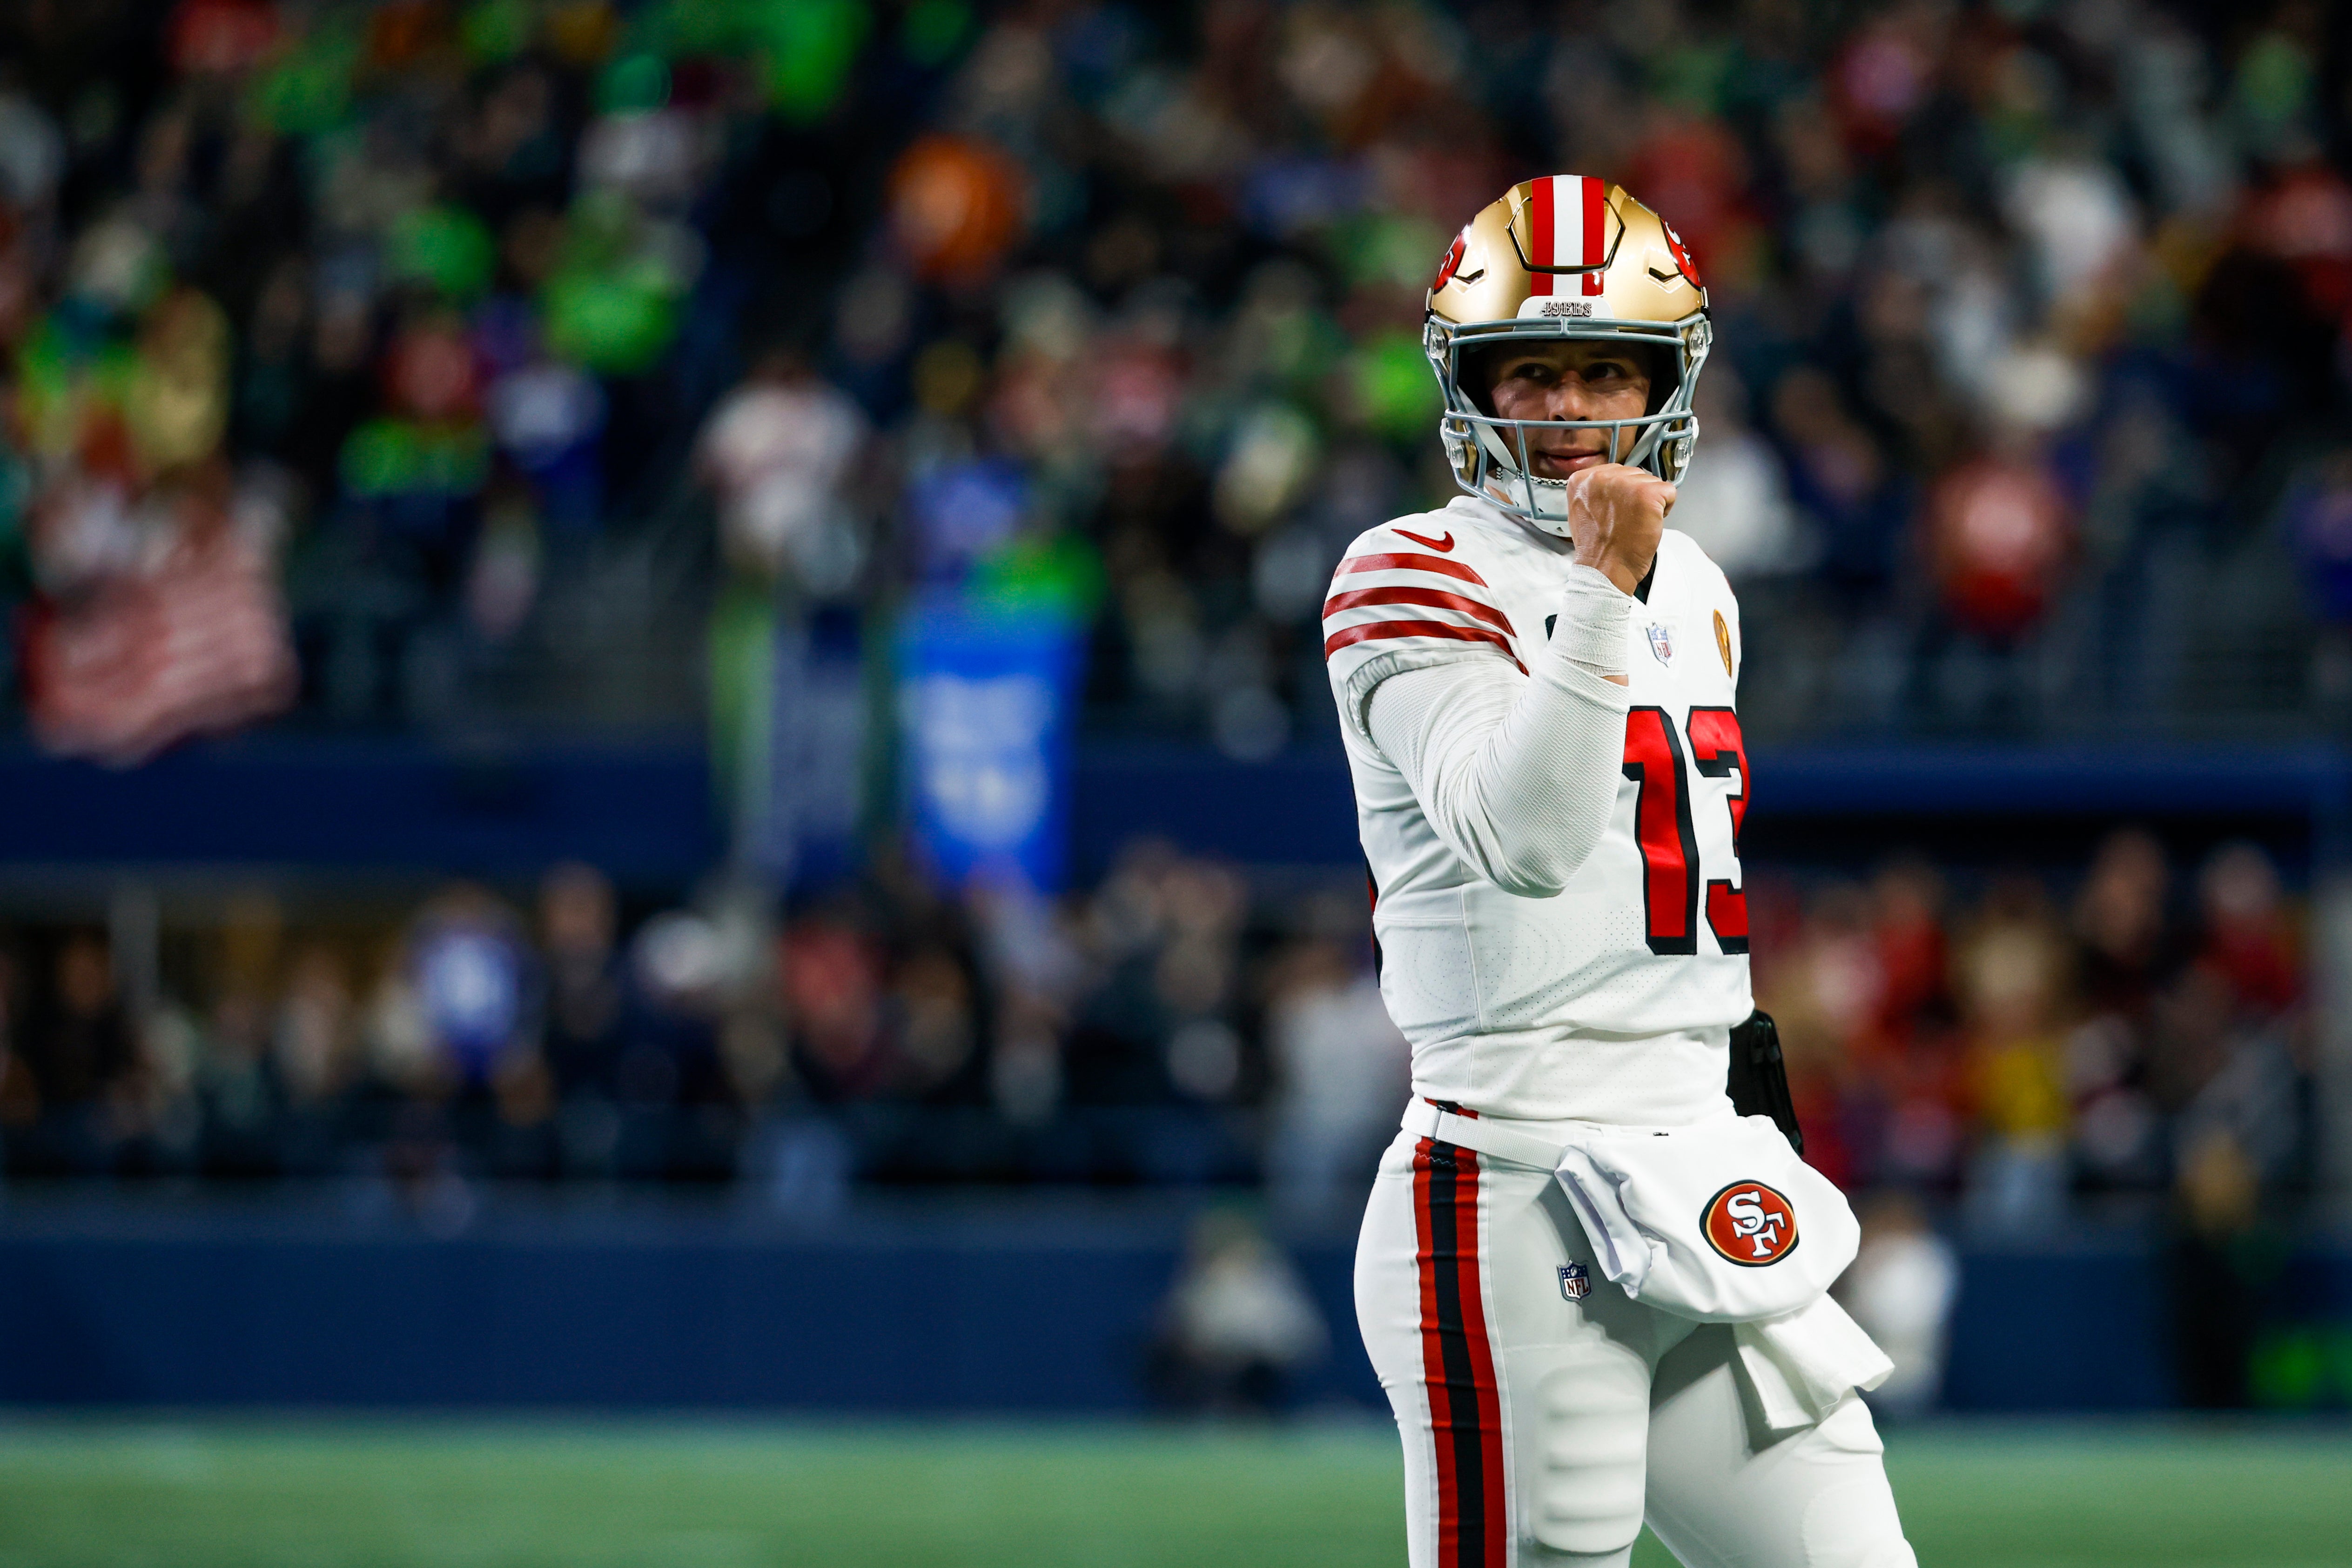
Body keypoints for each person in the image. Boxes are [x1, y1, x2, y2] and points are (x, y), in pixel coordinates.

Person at [1327, 178, 1915, 1568]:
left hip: (1701, 1157)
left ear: (1667, 380)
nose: (1573, 406)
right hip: (1513, 1181)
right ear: (1469, 384)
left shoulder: (1697, 583)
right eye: (1534, 371)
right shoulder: (1410, 571)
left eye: (1607, 371)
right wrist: (1597, 589)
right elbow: (1523, 839)